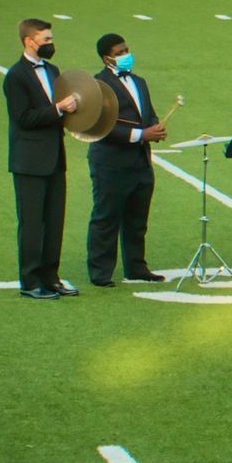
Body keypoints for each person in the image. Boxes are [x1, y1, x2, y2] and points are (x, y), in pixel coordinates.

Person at [5, 17, 81, 299]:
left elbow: (57, 112)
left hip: (54, 158)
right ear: (29, 41)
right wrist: (59, 108)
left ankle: (51, 277)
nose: (51, 44)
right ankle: (30, 281)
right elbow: (23, 118)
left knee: (54, 220)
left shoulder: (52, 70)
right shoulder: (15, 76)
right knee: (32, 222)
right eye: (46, 40)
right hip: (29, 161)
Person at [86, 31, 167, 288]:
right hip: (110, 163)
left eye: (126, 50)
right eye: (120, 52)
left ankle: (136, 267)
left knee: (137, 219)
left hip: (140, 162)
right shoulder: (98, 85)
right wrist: (142, 134)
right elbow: (101, 126)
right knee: (106, 217)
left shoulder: (139, 82)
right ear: (106, 57)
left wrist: (155, 128)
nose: (125, 56)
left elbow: (148, 114)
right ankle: (100, 272)